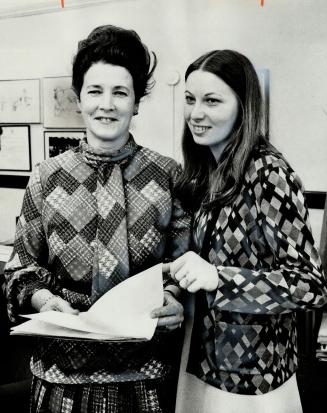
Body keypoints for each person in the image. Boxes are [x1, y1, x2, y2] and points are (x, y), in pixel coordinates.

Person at [4, 25, 190, 413]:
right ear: (79, 99)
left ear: (136, 102)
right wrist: (44, 301)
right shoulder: (45, 177)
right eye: (95, 91)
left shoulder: (169, 176)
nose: (107, 104)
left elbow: (182, 266)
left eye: (120, 92)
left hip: (145, 375)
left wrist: (175, 299)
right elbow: (20, 268)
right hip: (61, 376)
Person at [168, 49, 327, 413]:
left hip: (250, 378)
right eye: (190, 99)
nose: (196, 113)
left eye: (212, 100)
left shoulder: (269, 172)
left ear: (243, 106)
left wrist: (220, 279)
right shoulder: (209, 169)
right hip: (201, 358)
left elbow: (310, 287)